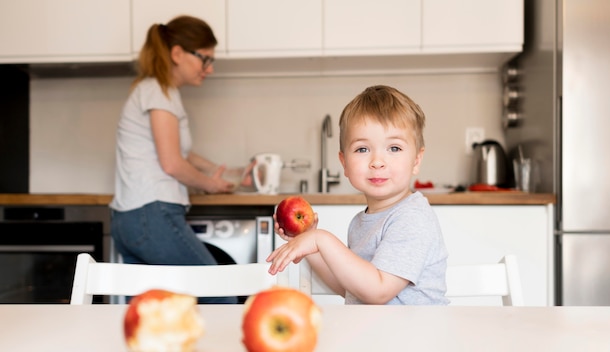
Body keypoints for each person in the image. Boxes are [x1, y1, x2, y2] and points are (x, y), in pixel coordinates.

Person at [110, 15, 252, 304]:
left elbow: (180, 153)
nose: (209, 69)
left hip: (129, 218)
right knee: (218, 294)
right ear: (177, 53)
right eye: (205, 59)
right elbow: (172, 163)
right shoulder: (158, 92)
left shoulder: (153, 90)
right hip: (153, 215)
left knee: (148, 312)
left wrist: (228, 173)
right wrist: (210, 186)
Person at [267, 85, 449, 305]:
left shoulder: (412, 218)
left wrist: (322, 239)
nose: (377, 162)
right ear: (344, 163)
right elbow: (351, 288)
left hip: (415, 337)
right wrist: (311, 245)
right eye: (363, 149)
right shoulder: (360, 222)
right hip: (378, 336)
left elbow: (378, 291)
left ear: (416, 160)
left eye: (394, 148)